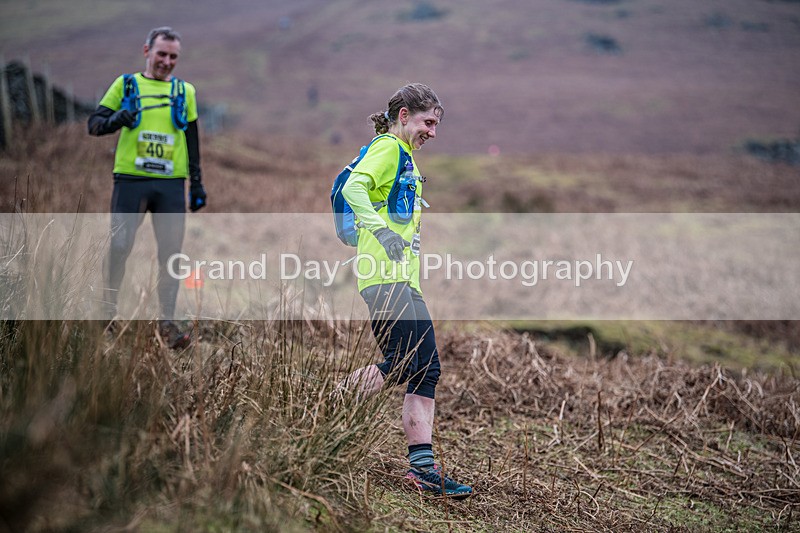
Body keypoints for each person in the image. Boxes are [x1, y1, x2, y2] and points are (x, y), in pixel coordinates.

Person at [339, 83, 473, 499]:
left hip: (398, 278)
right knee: (410, 362)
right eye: (428, 122)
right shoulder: (389, 149)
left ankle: (422, 468)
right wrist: (379, 230)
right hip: (384, 276)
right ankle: (325, 406)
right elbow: (353, 188)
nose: (433, 131)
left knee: (422, 368)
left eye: (436, 124)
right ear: (403, 116)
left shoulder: (405, 157)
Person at [88, 26, 206, 348]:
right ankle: (107, 315)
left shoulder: (185, 92)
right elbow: (94, 125)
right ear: (146, 52)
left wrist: (196, 182)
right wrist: (117, 120)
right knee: (120, 246)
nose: (167, 61)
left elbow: (192, 139)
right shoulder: (126, 85)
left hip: (170, 185)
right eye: (162, 54)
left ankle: (166, 324)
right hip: (131, 181)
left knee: (171, 255)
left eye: (173, 56)